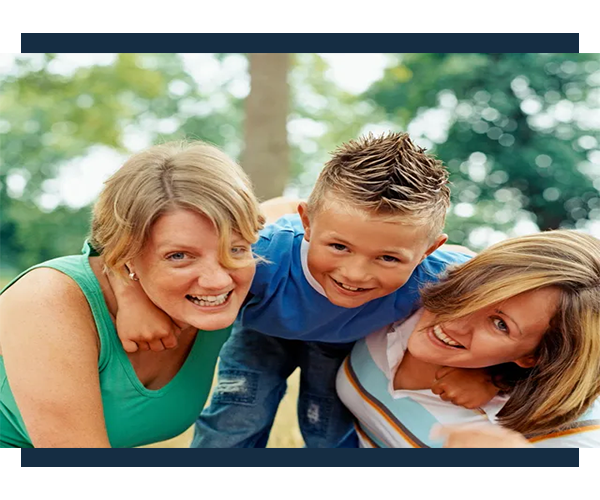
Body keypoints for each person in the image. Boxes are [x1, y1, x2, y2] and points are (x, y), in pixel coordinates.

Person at [114, 132, 498, 448]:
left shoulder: (440, 275)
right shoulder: (261, 255)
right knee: (238, 414)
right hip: (263, 331)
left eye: (388, 259)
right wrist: (132, 296)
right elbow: (113, 242)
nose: (355, 273)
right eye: (339, 247)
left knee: (328, 429)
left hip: (342, 342)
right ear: (307, 223)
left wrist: (492, 377)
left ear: (429, 249)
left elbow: (522, 305)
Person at [0, 141, 264, 447]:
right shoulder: (47, 299)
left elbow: (301, 213)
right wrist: (126, 286)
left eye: (236, 248)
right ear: (127, 254)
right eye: (179, 256)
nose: (218, 281)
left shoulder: (235, 281)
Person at [336, 230, 600, 447]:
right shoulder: (417, 278)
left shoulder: (568, 436)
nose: (456, 319)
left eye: (500, 325)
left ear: (532, 356)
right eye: (476, 289)